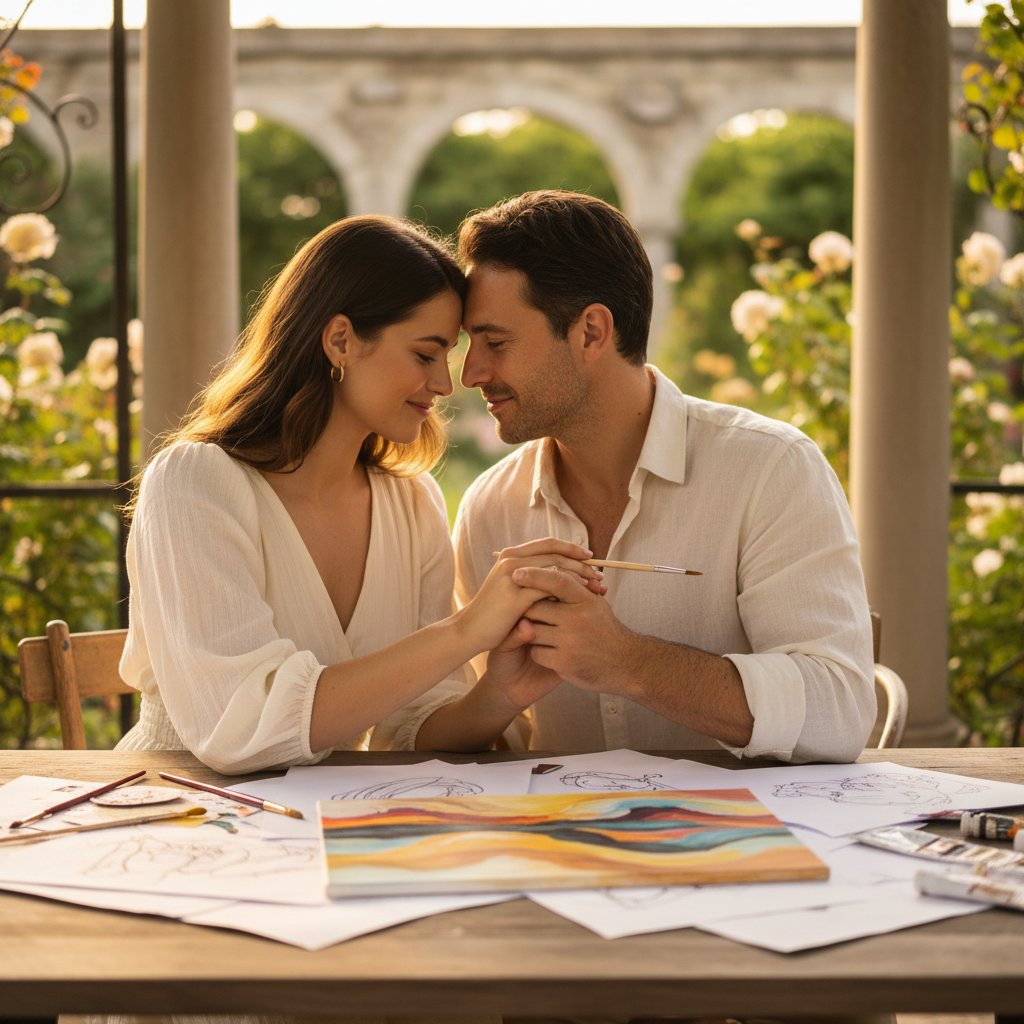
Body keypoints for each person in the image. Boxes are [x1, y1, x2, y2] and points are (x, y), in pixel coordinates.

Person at [115, 214, 601, 775]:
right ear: (341, 340)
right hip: (181, 814)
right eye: (425, 354)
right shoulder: (195, 483)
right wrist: (467, 630)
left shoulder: (411, 503)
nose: (446, 383)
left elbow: (408, 732)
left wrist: (500, 693)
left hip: (327, 822)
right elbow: (240, 731)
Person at [452, 190, 877, 765]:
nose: (471, 372)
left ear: (591, 332)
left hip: (747, 848)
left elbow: (840, 711)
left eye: (495, 342)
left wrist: (630, 662)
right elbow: (476, 736)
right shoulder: (488, 510)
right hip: (554, 845)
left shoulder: (770, 469)